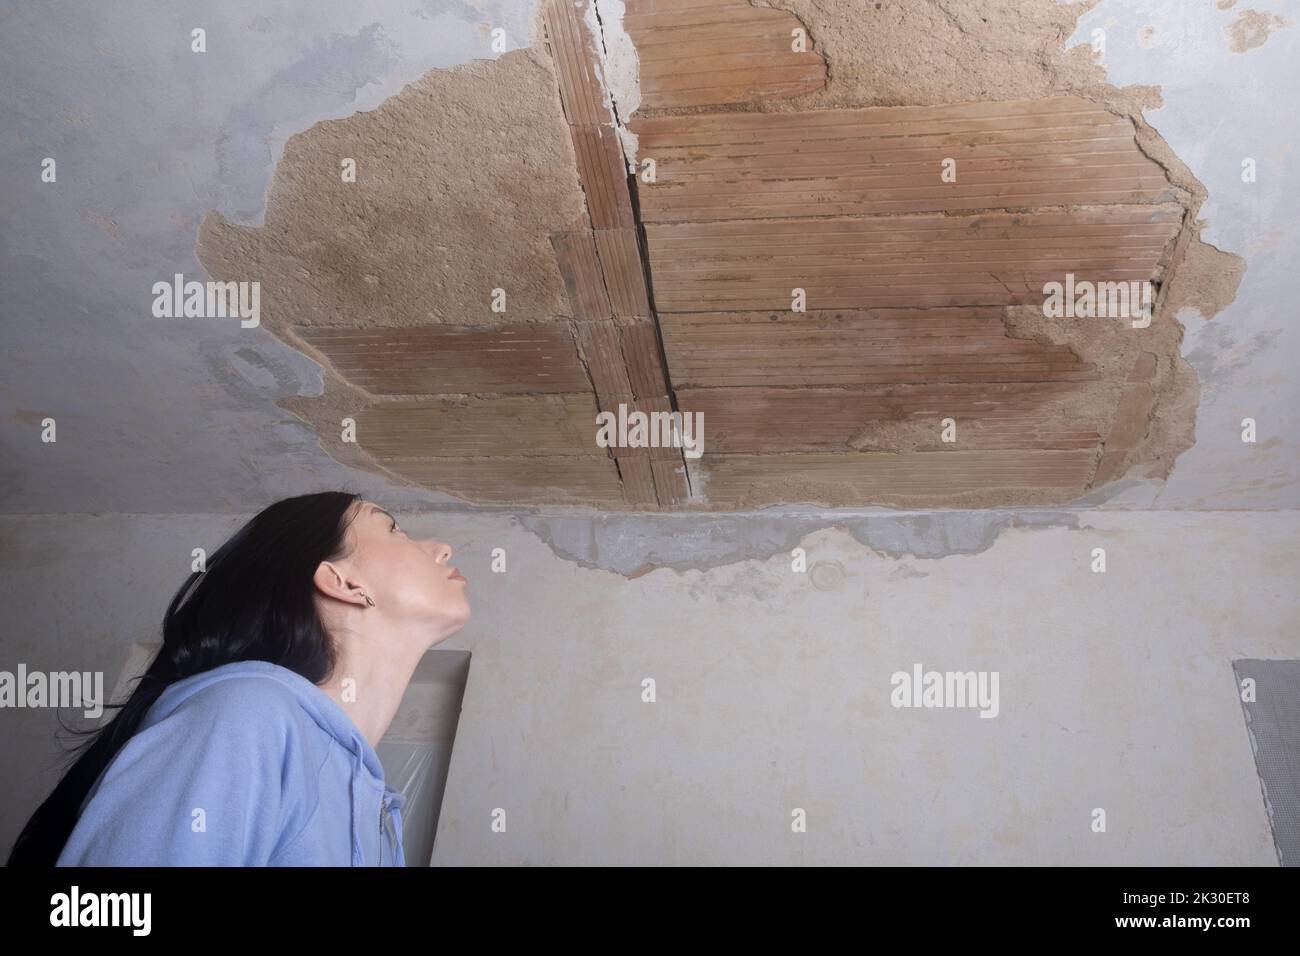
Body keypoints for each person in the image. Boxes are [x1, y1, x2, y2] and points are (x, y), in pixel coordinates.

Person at [6, 491, 470, 866]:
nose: (440, 547)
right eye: (394, 528)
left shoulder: (370, 800)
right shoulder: (246, 714)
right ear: (343, 582)